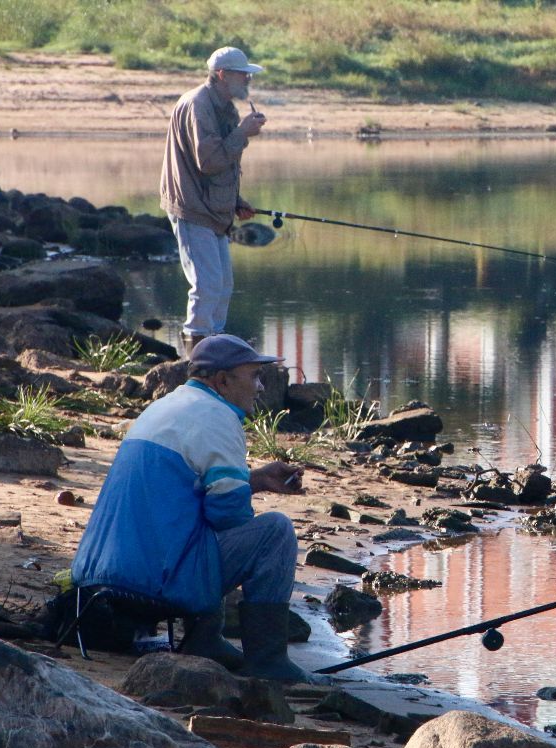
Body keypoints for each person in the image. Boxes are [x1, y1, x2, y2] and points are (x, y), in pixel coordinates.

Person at [71, 334, 321, 684]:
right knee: (275, 532)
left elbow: (182, 494)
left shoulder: (166, 407)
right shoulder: (218, 417)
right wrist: (241, 495)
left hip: (97, 577)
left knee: (197, 528)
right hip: (150, 582)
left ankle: (207, 641)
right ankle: (267, 660)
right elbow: (228, 516)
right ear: (222, 380)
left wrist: (256, 480)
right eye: (253, 376)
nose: (261, 387)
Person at [160, 46, 268, 356]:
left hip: (213, 208)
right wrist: (243, 133)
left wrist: (235, 200)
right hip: (192, 207)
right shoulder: (198, 105)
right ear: (221, 75)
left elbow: (223, 163)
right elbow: (208, 160)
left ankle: (214, 349)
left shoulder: (224, 106)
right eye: (241, 73)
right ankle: (197, 356)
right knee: (206, 285)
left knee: (222, 286)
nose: (247, 78)